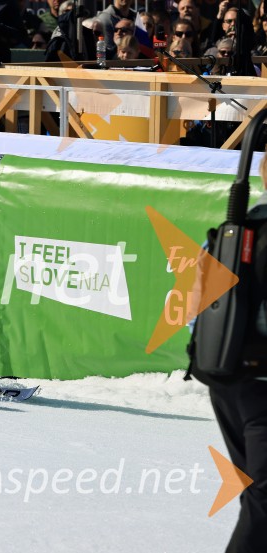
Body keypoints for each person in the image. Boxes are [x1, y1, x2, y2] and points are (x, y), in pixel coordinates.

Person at [188, 151, 267, 553]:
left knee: (257, 496)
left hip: (224, 379)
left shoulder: (233, 230)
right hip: (260, 387)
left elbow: (192, 311)